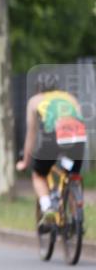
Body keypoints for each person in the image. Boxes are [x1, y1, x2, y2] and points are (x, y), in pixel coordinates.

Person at [16, 75, 87, 227]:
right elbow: (80, 120)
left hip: (54, 137)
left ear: (38, 88)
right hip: (78, 138)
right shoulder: (70, 97)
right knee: (72, 176)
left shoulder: (35, 100)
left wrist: (25, 161)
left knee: (38, 175)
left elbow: (31, 134)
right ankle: (76, 219)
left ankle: (47, 206)